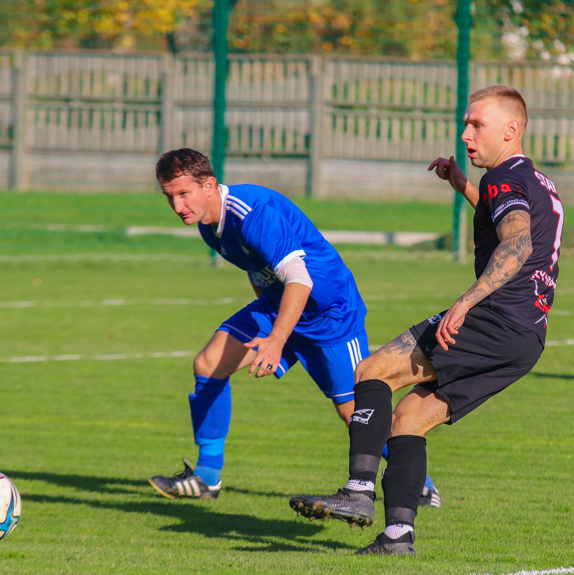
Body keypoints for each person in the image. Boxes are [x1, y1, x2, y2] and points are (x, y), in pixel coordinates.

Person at [288, 85, 564, 555]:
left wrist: (467, 300)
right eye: (465, 123)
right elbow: (505, 219)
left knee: (371, 371)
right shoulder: (532, 180)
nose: (465, 134)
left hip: (495, 316)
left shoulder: (503, 178)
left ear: (511, 129)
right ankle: (398, 536)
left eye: (477, 124)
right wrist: (460, 183)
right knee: (409, 420)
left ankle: (357, 492)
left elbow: (516, 245)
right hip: (527, 339)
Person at [149, 148, 441, 506]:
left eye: (183, 194)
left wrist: (275, 340)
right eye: (170, 197)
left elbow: (300, 279)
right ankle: (207, 477)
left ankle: (420, 484)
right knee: (209, 364)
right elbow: (258, 270)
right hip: (281, 307)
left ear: (209, 185)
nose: (178, 206)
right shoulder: (210, 225)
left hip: (329, 315)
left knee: (355, 413)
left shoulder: (252, 215)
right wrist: (268, 317)